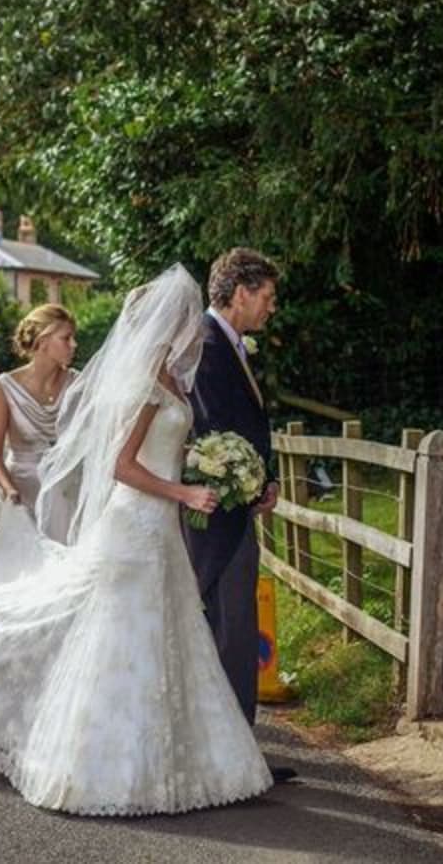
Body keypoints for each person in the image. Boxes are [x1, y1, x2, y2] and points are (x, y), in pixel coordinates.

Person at [0, 267, 284, 814]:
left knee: (171, 638)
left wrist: (213, 470)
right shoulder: (143, 385)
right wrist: (183, 492)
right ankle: (107, 765)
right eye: (183, 320)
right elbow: (121, 466)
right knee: (123, 640)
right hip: (137, 523)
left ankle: (184, 761)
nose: (191, 330)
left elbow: (166, 450)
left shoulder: (171, 381)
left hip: (161, 525)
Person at [188, 248, 281, 722]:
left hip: (237, 503)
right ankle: (231, 736)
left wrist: (268, 478)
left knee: (236, 623)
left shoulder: (233, 345)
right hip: (217, 516)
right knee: (230, 625)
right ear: (241, 293)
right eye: (267, 297)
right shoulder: (207, 346)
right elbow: (213, 431)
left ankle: (233, 735)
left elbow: (251, 426)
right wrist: (247, 482)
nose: (271, 307)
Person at [0, 305, 78, 531]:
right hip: (21, 491)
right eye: (66, 338)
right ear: (43, 341)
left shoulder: (77, 383)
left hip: (64, 490)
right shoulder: (5, 386)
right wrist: (9, 490)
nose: (74, 344)